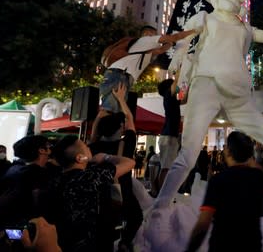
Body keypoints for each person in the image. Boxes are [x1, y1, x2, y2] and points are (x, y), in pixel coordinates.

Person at [154, 0, 263, 214]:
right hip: (206, 85)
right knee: (189, 154)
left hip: (238, 94)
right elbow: (185, 39)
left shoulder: (245, 29)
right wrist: (176, 51)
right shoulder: (205, 18)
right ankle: (160, 206)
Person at [51, 135, 135, 252]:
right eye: (86, 147)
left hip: (62, 242)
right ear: (80, 158)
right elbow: (129, 163)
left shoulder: (55, 179)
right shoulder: (92, 176)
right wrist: (106, 157)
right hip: (92, 244)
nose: (89, 148)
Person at [185, 131, 263, 252]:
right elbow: (260, 169)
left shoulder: (218, 181)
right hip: (252, 245)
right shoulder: (258, 177)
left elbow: (203, 224)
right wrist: (249, 158)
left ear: (228, 151)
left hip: (222, 245)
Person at [89, 83, 142, 252]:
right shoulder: (125, 145)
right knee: (136, 217)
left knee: (103, 228)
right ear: (119, 129)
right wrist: (120, 99)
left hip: (99, 195)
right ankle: (124, 242)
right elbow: (130, 119)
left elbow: (93, 137)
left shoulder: (94, 147)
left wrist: (98, 118)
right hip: (122, 193)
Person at [99, 25, 196, 113]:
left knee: (110, 111)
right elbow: (174, 37)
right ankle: (101, 132)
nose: (156, 37)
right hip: (120, 76)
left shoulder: (143, 49)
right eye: (154, 35)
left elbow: (161, 50)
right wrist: (195, 30)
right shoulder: (144, 41)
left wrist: (171, 43)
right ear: (146, 34)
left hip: (119, 75)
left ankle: (96, 133)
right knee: (110, 111)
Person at [0, 135, 54, 227]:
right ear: (41, 150)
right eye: (48, 146)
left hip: (9, 224)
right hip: (29, 228)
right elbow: (40, 206)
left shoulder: (14, 169)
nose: (50, 149)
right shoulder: (39, 174)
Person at [156, 74, 182, 196]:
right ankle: (162, 195)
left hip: (170, 135)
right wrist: (180, 69)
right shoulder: (168, 94)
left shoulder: (172, 98)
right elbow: (176, 85)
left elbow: (184, 97)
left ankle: (164, 194)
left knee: (167, 167)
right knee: (166, 168)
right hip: (168, 136)